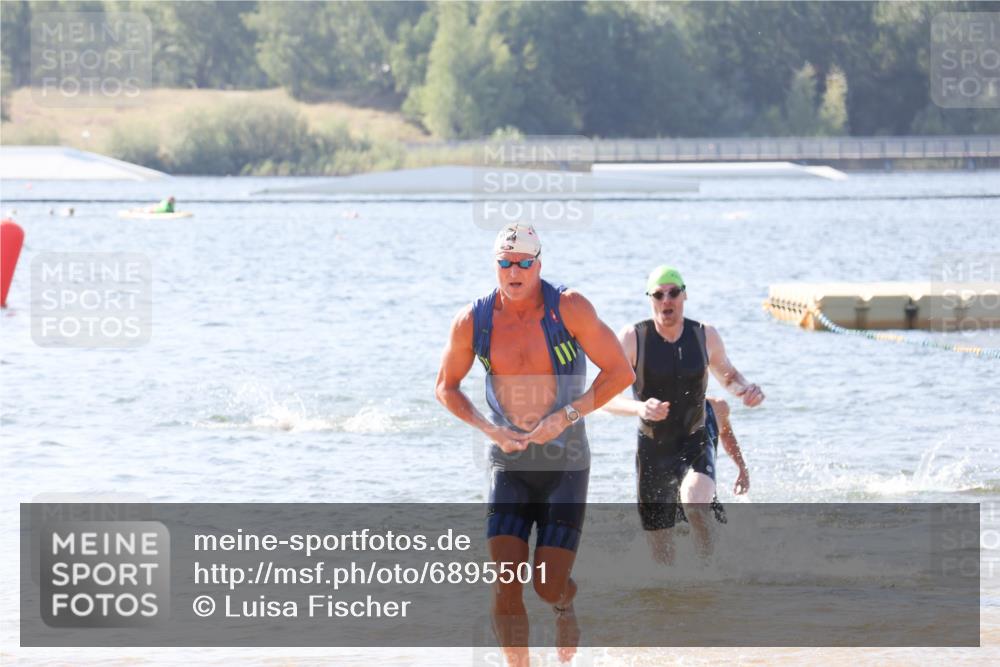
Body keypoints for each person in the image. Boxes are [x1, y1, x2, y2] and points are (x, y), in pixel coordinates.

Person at [435, 223, 634, 666]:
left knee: (547, 585)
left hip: (566, 462)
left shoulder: (570, 308)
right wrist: (490, 430)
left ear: (539, 265)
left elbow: (621, 372)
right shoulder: (474, 321)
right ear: (495, 266)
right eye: (505, 262)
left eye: (524, 262)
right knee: (505, 581)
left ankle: (566, 603)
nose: (514, 270)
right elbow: (445, 388)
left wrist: (567, 415)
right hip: (508, 463)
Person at [604, 265, 763, 562]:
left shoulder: (704, 335)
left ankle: (712, 572)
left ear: (684, 295)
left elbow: (729, 376)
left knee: (694, 501)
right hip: (653, 448)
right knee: (661, 556)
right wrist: (639, 407)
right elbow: (605, 398)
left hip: (695, 438)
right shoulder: (632, 338)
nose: (667, 299)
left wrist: (747, 390)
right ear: (650, 298)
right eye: (659, 294)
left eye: (673, 292)